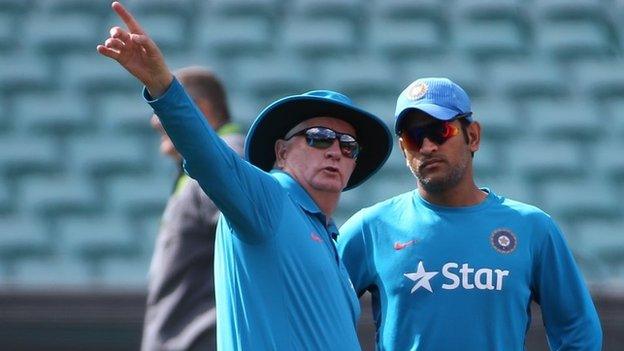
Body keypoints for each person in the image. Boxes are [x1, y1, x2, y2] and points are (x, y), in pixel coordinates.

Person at [96, 2, 392, 350]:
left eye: (348, 146)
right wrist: (163, 86)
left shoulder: (329, 235)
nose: (334, 151)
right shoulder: (269, 199)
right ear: (281, 152)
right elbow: (210, 158)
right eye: (319, 138)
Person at [337, 77, 603, 350]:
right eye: (414, 137)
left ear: (473, 136)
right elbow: (317, 318)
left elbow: (578, 330)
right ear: (405, 150)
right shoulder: (371, 228)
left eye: (440, 131)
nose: (427, 147)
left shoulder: (532, 227)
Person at [142, 66, 244, 351]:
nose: (153, 121)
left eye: (161, 110)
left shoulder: (227, 157)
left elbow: (248, 243)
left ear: (198, 109)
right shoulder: (208, 162)